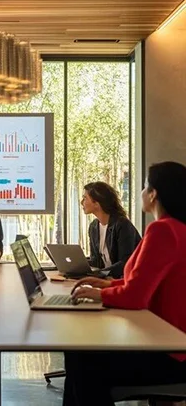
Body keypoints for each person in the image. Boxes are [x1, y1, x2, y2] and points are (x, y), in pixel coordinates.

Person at [65, 161, 186, 406]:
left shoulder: (162, 231)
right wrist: (105, 286)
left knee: (82, 361)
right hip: (168, 342)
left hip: (170, 355)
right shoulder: (177, 229)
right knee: (79, 355)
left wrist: (97, 295)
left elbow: (135, 297)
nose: (141, 193)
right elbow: (144, 282)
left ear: (153, 194)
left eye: (144, 187)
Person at [81, 181, 141, 278]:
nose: (81, 202)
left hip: (130, 280)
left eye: (84, 198)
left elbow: (126, 262)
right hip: (109, 280)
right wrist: (76, 266)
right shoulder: (93, 227)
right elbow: (96, 261)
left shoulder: (122, 225)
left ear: (97, 203)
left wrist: (99, 274)